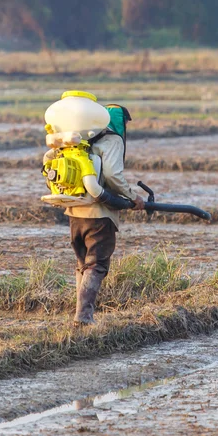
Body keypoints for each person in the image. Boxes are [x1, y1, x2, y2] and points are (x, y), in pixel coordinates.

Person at [63, 104, 144, 326]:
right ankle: (83, 317)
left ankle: (80, 316)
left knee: (83, 264)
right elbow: (113, 175)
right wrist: (133, 197)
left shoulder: (79, 139)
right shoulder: (112, 139)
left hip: (75, 210)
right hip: (99, 213)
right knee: (96, 265)